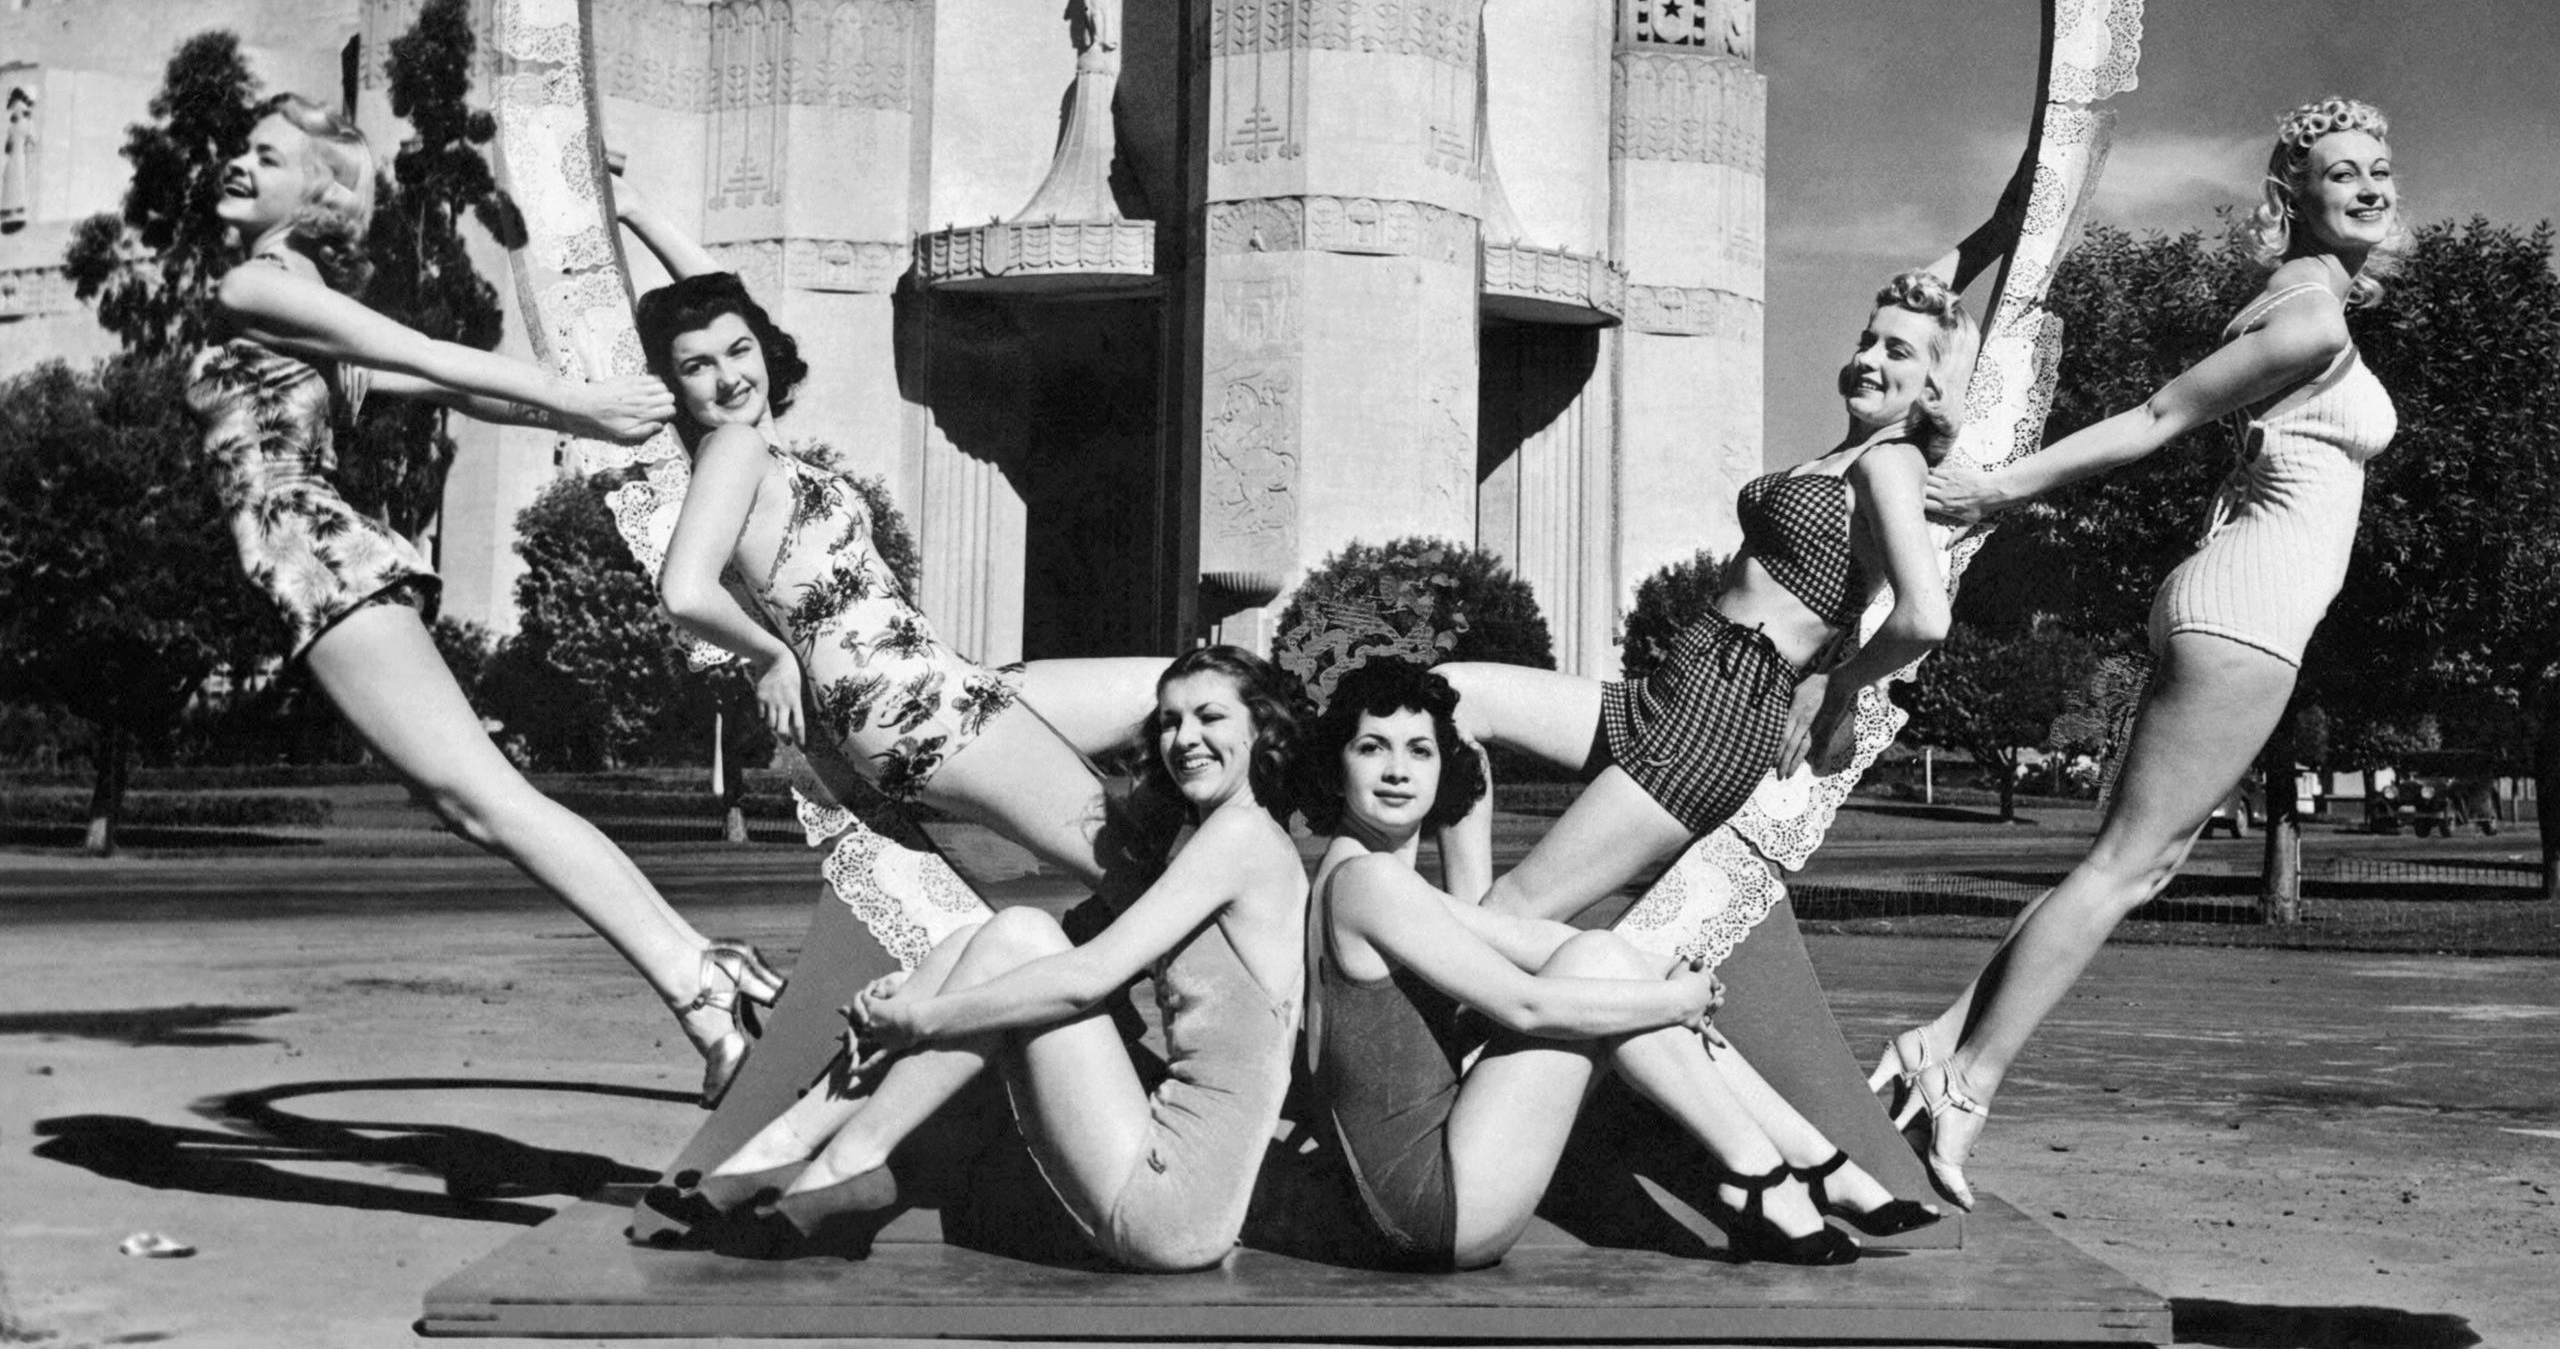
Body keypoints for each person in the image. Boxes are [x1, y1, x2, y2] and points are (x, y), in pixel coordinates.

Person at [187, 94, 782, 1103]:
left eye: (268, 156)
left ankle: (702, 986)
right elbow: (461, 389)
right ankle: (704, 968)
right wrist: (582, 408)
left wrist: (587, 409)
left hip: (319, 565)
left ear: (316, 194)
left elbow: (430, 360)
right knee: (477, 801)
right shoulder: (290, 311)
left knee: (484, 799)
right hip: (318, 571)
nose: (238, 164)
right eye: (241, 149)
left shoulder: (255, 285)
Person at [1878, 97, 2400, 1207]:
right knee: (2126, 869)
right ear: (2292, 197)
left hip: (2239, 602)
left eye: (2378, 167)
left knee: (2127, 863)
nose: (2367, 185)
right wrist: (1997, 488)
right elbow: (2160, 414)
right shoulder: (2309, 318)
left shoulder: (2309, 302)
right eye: (2338, 171)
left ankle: (1938, 1044)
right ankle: (1967, 1083)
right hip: (2247, 608)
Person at [612, 170, 1166, 895]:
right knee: (1134, 869)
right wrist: (768, 652)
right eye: (697, 367)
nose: (727, 377)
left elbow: (722, 294)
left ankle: (1094, 948)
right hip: (911, 706)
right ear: (673, 384)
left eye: (738, 350)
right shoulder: (732, 451)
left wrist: (635, 209)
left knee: (1186, 690)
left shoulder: (761, 452)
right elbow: (683, 590)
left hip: (938, 688)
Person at [1297, 660, 1935, 1269]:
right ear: (1337, 763)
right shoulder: (1370, 882)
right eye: (1372, 747)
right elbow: (1526, 1004)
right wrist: (1672, 1002)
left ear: (1444, 767)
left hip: (1424, 1198)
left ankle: (1810, 1167)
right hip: (1435, 1209)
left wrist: (1659, 972)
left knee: (1602, 955)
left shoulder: (1357, 877)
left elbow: (1516, 938)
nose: (1397, 771)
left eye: (1419, 750)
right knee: (1601, 964)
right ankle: (1771, 1174)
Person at [690, 647, 1309, 1268]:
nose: (1185, 739)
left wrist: (923, 1019)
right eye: (1171, 721)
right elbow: (1065, 948)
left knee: (1018, 934)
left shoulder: (1242, 836)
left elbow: (1085, 977)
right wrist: (916, 987)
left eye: (1210, 718)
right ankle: (786, 1154)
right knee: (985, 939)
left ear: (1263, 730)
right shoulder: (1210, 843)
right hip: (1166, 1193)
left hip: (1174, 1202)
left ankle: (839, 1160)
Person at [1438, 270, 1976, 923]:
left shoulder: (1890, 463)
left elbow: (1926, 616)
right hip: (1662, 691)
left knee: (1515, 906)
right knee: (1447, 699)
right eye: (1868, 340)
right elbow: (1931, 285)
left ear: (1933, 385)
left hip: (1721, 718)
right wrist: (1993, 233)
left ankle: (1467, 950)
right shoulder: (1844, 454)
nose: (1866, 359)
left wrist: (1837, 684)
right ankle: (1461, 941)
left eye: (1897, 351)